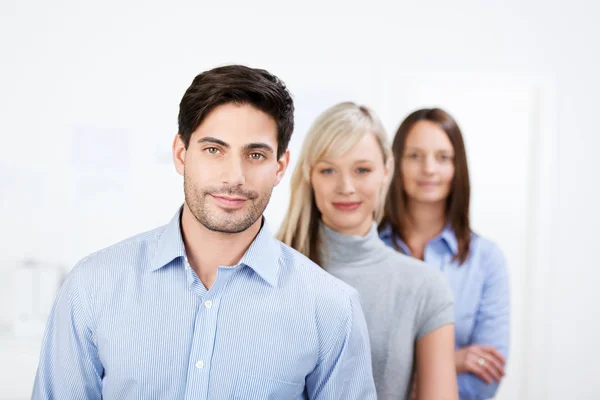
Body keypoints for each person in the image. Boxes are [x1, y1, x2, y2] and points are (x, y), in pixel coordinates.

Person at [32, 65, 377, 399]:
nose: (234, 177)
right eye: (214, 150)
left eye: (255, 154)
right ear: (181, 154)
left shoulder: (331, 308)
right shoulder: (93, 286)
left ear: (280, 167)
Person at [278, 102, 458, 400]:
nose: (346, 186)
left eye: (362, 169)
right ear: (310, 175)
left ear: (386, 170)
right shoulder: (268, 270)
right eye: (328, 170)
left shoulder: (425, 287)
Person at [379, 108, 510, 400]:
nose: (428, 169)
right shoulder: (370, 248)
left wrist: (404, 379)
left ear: (457, 167)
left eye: (442, 157)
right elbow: (357, 367)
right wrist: (453, 360)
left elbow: (484, 379)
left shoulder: (487, 260)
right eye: (414, 156)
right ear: (394, 164)